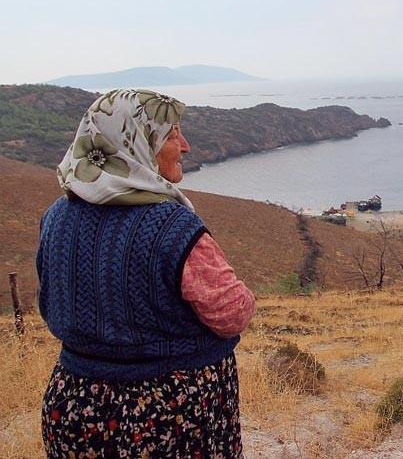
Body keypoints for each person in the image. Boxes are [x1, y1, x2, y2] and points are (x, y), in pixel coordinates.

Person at [36, 89, 256, 458]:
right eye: (171, 135)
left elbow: (50, 306)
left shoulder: (56, 217)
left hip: (74, 406)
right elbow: (232, 312)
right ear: (137, 142)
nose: (184, 146)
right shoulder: (172, 226)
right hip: (170, 416)